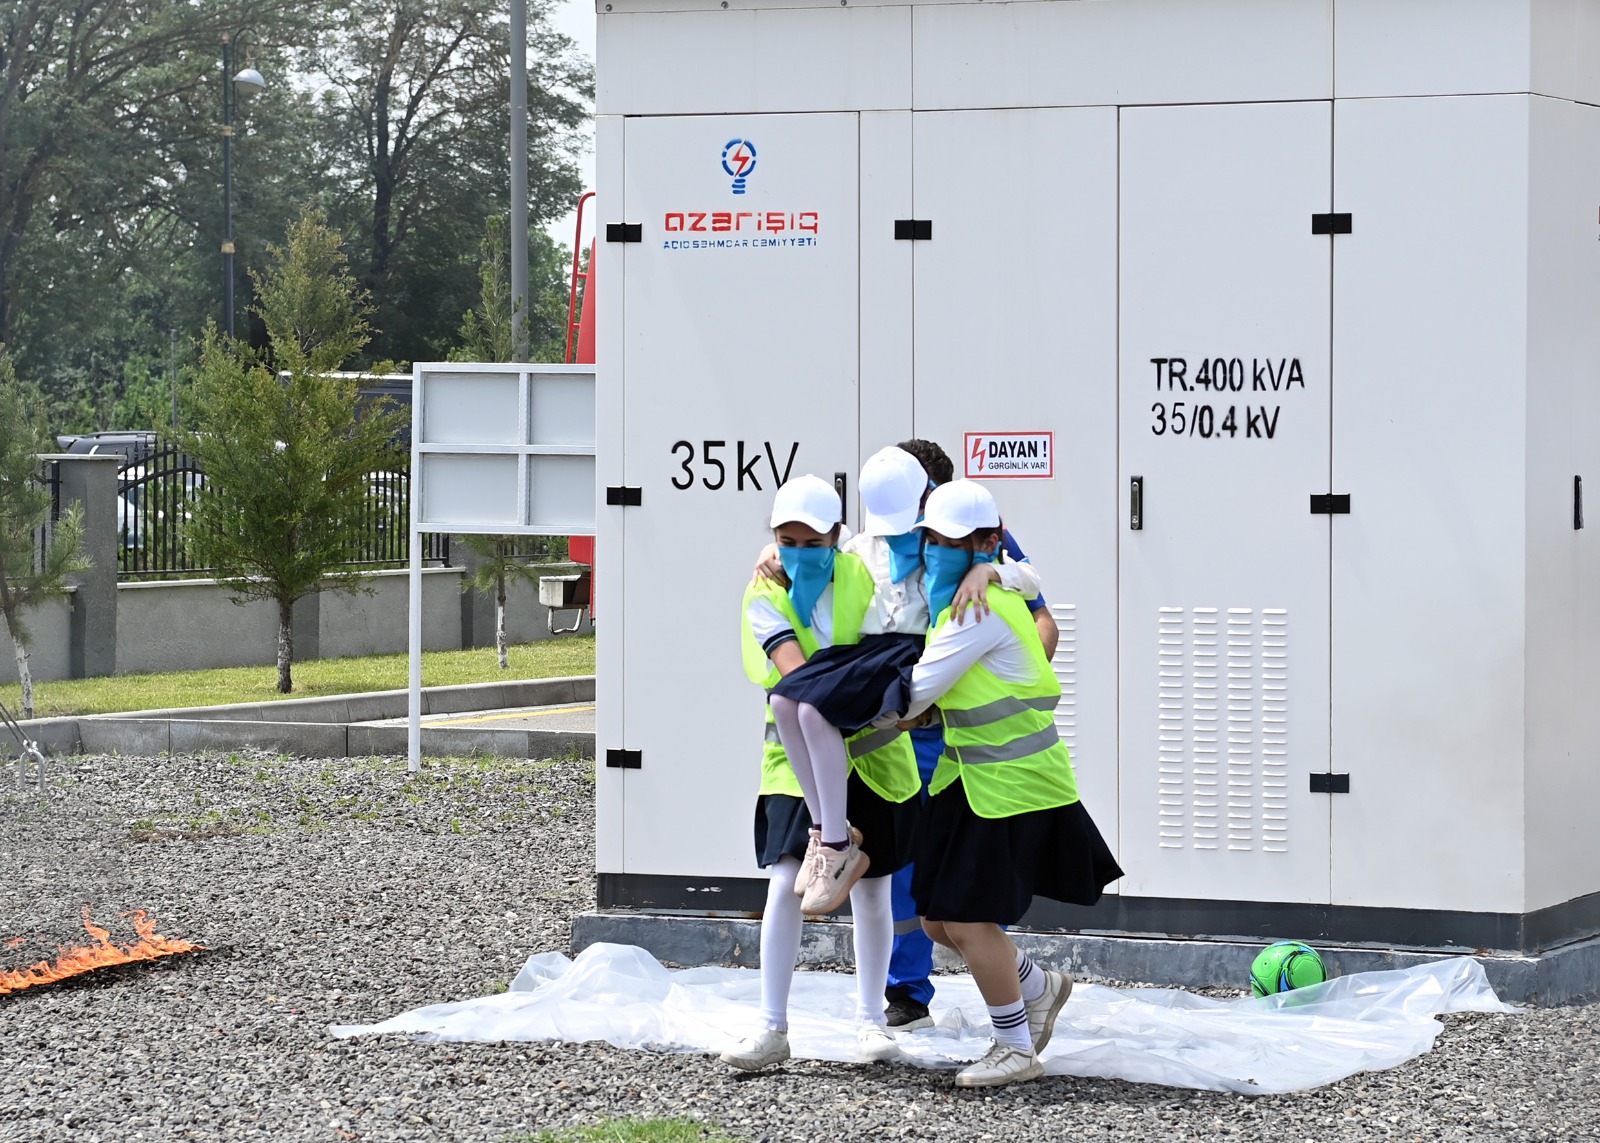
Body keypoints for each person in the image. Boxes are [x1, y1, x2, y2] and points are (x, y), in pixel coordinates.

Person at [895, 479, 1121, 1087]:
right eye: (930, 541)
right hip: (972, 780)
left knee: (967, 922)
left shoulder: (977, 610)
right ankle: (1040, 987)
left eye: (948, 543)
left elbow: (914, 693)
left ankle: (1014, 1046)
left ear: (984, 544)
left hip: (1010, 785)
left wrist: (850, 696)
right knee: (940, 920)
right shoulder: (975, 596)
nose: (935, 552)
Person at [720, 474, 922, 1071]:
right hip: (796, 765)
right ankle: (771, 1027)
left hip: (877, 757)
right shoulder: (764, 593)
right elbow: (797, 675)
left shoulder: (864, 572)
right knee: (785, 887)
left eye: (813, 541)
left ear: (839, 536)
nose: (798, 553)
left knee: (874, 891)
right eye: (786, 540)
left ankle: (871, 1023)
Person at [884, 439, 1056, 1031]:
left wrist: (1003, 676)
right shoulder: (882, 542)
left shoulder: (982, 553)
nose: (927, 543)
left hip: (961, 744)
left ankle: (1007, 1019)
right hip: (915, 730)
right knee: (917, 883)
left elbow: (1039, 612)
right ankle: (908, 990)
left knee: (962, 891)